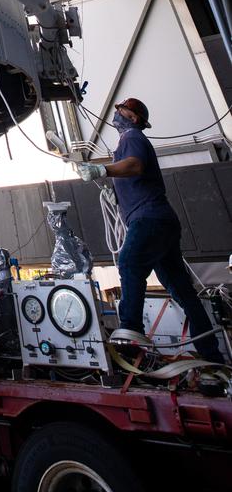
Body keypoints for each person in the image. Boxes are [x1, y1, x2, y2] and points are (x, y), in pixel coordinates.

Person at [78, 97, 223, 361]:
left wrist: (102, 170)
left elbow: (135, 165)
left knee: (130, 262)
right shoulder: (127, 144)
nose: (116, 114)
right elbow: (134, 174)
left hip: (149, 219)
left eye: (120, 110)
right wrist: (116, 194)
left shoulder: (132, 137)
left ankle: (131, 331)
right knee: (182, 291)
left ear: (133, 118)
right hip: (161, 221)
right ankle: (211, 355)